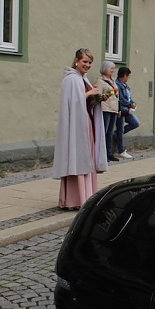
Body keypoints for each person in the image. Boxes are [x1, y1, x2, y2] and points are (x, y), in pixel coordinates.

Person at [52, 48, 107, 210]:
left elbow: (85, 103)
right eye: (85, 62)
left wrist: (98, 98)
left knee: (85, 158)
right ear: (76, 61)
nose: (87, 65)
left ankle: (87, 195)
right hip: (76, 128)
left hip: (86, 125)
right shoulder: (71, 80)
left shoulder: (83, 79)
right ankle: (75, 199)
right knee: (77, 158)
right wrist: (89, 93)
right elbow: (74, 103)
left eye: (90, 62)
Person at [95, 61, 120, 162]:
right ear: (105, 69)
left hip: (113, 109)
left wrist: (119, 109)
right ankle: (102, 154)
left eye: (113, 69)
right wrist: (107, 94)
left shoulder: (113, 81)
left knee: (110, 132)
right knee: (104, 132)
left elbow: (116, 95)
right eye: (111, 69)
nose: (113, 71)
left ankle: (109, 153)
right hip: (106, 109)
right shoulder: (100, 81)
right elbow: (98, 96)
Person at [115, 66, 140, 159]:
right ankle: (121, 150)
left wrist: (133, 102)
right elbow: (120, 99)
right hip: (121, 110)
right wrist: (130, 104)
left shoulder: (125, 85)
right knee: (120, 129)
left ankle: (116, 135)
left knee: (135, 123)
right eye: (128, 76)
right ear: (124, 75)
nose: (128, 78)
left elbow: (129, 97)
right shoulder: (117, 84)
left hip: (128, 109)